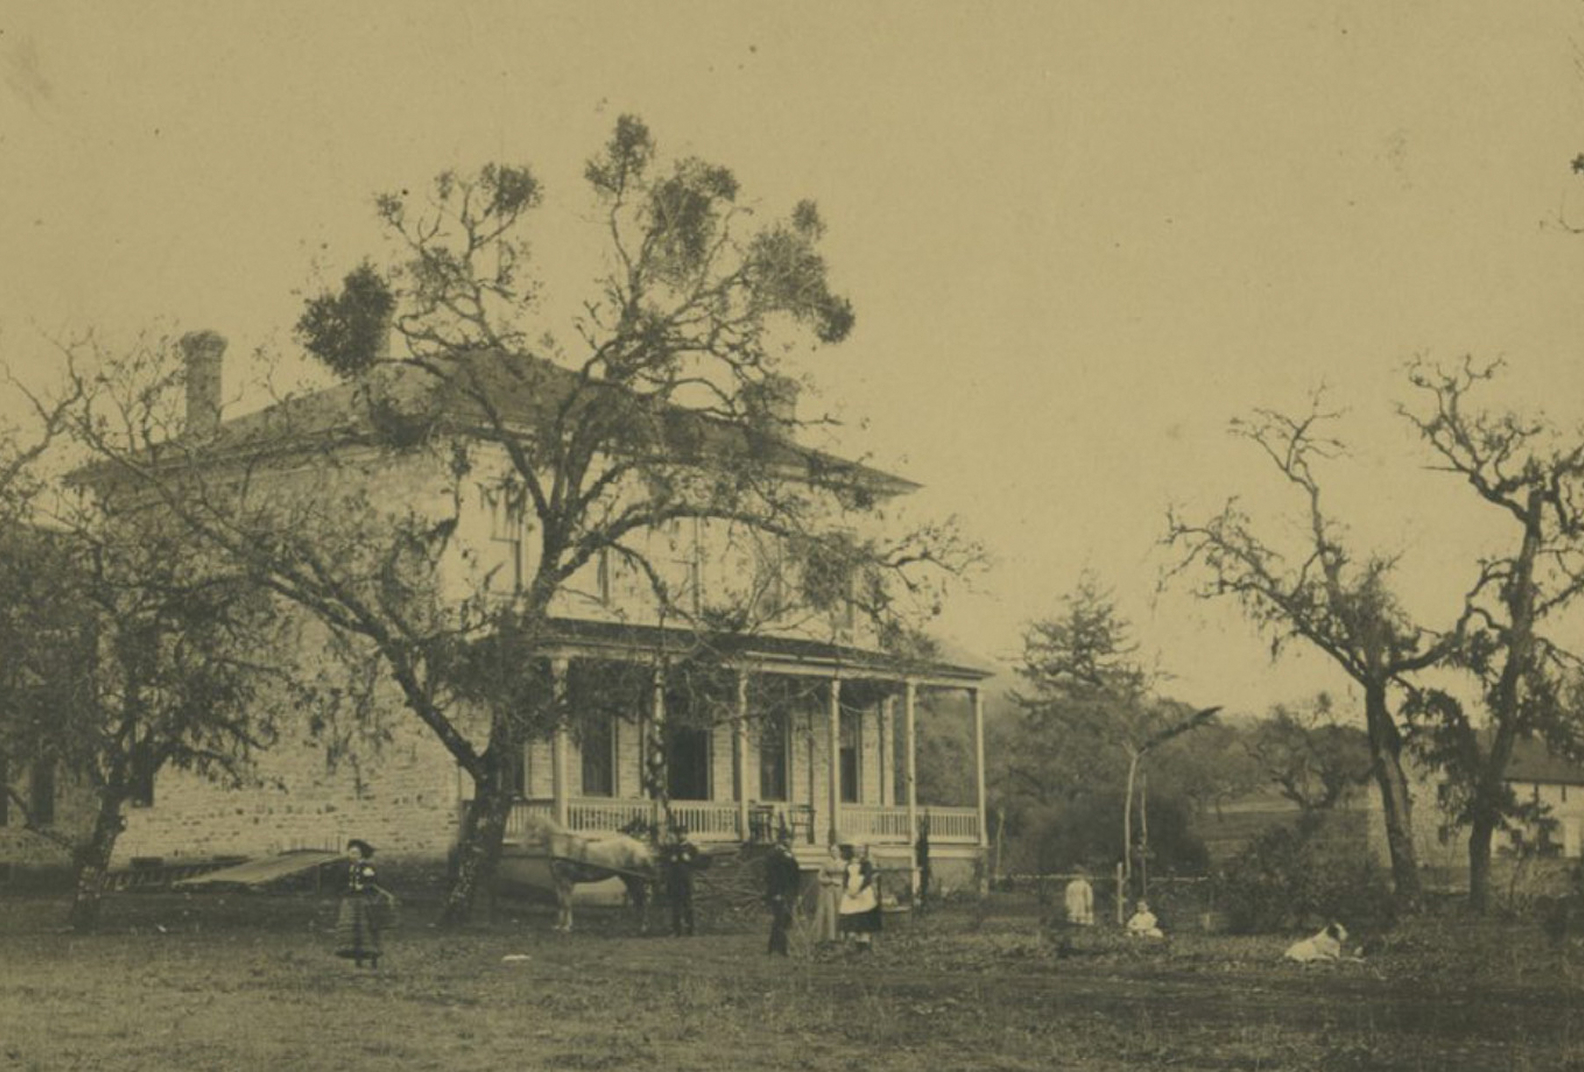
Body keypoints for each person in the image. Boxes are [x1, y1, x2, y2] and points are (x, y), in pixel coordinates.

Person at [334, 838, 387, 969]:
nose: (353, 856)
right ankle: (357, 959)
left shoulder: (368, 867)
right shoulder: (345, 868)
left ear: (361, 854)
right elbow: (338, 883)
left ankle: (373, 959)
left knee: (368, 928)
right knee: (353, 931)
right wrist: (347, 890)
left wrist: (364, 887)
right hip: (350, 902)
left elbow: (376, 884)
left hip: (365, 901)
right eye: (351, 853)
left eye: (356, 853)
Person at [764, 832, 802, 957]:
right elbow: (771, 876)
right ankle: (781, 949)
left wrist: (797, 892)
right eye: (787, 839)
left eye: (791, 839)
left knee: (785, 920)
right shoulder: (774, 854)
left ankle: (773, 947)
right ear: (781, 840)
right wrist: (776, 893)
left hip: (789, 891)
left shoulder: (789, 854)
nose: (790, 841)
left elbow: (795, 874)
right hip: (779, 892)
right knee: (780, 919)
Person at [660, 823, 702, 937]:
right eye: (679, 834)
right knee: (675, 906)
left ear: (686, 835)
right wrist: (670, 859)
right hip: (674, 881)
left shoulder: (691, 848)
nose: (681, 836)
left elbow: (698, 863)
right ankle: (676, 931)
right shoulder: (672, 848)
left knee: (688, 904)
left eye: (683, 833)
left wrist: (689, 860)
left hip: (686, 880)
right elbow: (665, 862)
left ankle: (691, 930)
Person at [839, 843, 881, 952]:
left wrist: (859, 890)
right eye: (857, 849)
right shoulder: (849, 863)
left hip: (862, 892)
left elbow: (868, 878)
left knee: (864, 917)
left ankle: (865, 944)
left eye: (861, 849)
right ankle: (855, 943)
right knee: (853, 916)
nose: (859, 851)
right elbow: (845, 877)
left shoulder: (867, 863)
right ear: (853, 850)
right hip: (850, 892)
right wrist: (847, 890)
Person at [812, 841, 844, 944]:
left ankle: (841, 936)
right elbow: (820, 877)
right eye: (832, 851)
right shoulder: (826, 863)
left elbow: (848, 876)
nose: (834, 853)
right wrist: (829, 881)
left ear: (840, 852)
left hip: (841, 889)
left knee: (840, 911)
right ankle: (830, 937)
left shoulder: (845, 863)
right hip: (829, 890)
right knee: (830, 911)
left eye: (836, 850)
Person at [915, 818, 932, 914]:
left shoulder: (924, 842)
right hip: (921, 865)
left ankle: (924, 905)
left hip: (924, 866)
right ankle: (922, 905)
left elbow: (923, 851)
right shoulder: (921, 841)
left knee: (924, 886)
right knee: (921, 887)